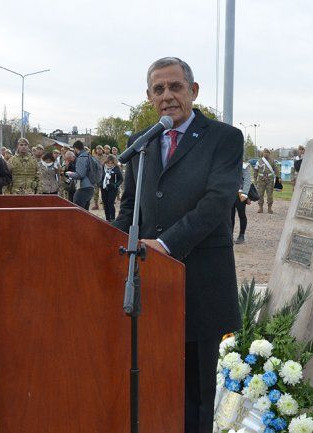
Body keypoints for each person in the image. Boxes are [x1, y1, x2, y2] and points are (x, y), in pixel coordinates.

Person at [113, 57, 243, 433]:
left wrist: (166, 245)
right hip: (152, 283)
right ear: (149, 97)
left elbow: (217, 203)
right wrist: (108, 246)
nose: (167, 95)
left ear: (193, 90)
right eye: (159, 89)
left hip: (202, 283)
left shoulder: (225, 138)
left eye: (175, 86)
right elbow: (129, 207)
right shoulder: (142, 143)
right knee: (160, 381)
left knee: (200, 391)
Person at [65, 141, 94, 209]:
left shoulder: (81, 158)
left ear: (75, 148)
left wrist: (70, 174)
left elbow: (80, 175)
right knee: (85, 211)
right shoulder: (88, 156)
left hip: (83, 188)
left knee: (78, 210)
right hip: (90, 186)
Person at [232, 160, 253, 244]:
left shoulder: (244, 166)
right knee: (230, 216)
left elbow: (247, 181)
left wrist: (245, 194)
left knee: (242, 215)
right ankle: (229, 234)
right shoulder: (228, 163)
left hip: (240, 194)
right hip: (230, 194)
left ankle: (241, 235)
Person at [253, 148, 279, 213]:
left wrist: (278, 178)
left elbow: (276, 170)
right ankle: (260, 208)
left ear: (269, 154)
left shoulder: (272, 161)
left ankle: (269, 208)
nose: (266, 154)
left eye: (267, 152)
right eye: (264, 152)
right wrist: (255, 180)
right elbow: (255, 171)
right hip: (261, 180)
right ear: (263, 153)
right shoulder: (259, 161)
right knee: (260, 194)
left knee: (269, 194)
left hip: (270, 180)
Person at [100, 154, 123, 221]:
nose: (110, 165)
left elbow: (121, 179)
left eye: (111, 163)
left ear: (114, 163)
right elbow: (99, 177)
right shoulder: (102, 168)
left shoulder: (116, 168)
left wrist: (116, 185)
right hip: (104, 188)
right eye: (108, 163)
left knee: (110, 203)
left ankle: (112, 218)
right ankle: (107, 219)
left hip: (113, 189)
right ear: (106, 162)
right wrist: (100, 184)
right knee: (105, 203)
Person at [91, 146, 106, 210]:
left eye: (100, 149)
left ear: (102, 150)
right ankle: (96, 205)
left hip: (103, 176)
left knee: (104, 192)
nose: (99, 150)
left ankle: (104, 205)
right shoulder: (93, 157)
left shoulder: (105, 157)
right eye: (97, 149)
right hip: (96, 177)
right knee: (95, 192)